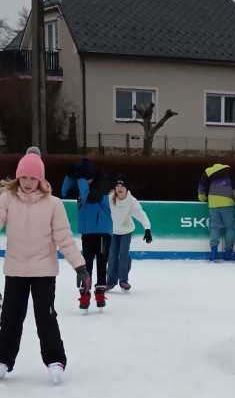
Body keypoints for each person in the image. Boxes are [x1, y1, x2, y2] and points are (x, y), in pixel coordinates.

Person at [0, 153, 90, 384]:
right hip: (16, 269)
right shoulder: (7, 200)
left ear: (40, 179)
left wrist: (80, 266)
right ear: (18, 177)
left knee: (46, 316)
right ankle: (3, 359)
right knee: (10, 316)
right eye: (24, 177)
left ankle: (55, 360)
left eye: (33, 178)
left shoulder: (53, 204)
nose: (28, 182)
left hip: (44, 271)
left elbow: (64, 238)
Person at [62, 161, 113, 308]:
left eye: (84, 177)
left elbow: (86, 196)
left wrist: (81, 179)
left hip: (102, 231)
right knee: (86, 263)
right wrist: (69, 176)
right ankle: (85, 293)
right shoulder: (82, 185)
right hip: (87, 232)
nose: (83, 180)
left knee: (101, 263)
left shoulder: (101, 187)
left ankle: (100, 292)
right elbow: (64, 192)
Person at [106, 174, 152, 291]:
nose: (119, 188)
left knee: (123, 254)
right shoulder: (109, 199)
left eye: (122, 185)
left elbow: (141, 214)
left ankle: (123, 280)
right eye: (117, 185)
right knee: (112, 256)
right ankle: (110, 281)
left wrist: (147, 229)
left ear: (127, 188)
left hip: (126, 231)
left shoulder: (132, 201)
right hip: (112, 231)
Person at [197, 163, 235, 261]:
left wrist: (202, 198)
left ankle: (213, 253)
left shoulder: (208, 171)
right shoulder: (229, 170)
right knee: (230, 228)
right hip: (227, 202)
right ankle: (228, 253)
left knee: (214, 228)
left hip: (213, 202)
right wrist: (234, 196)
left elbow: (201, 186)